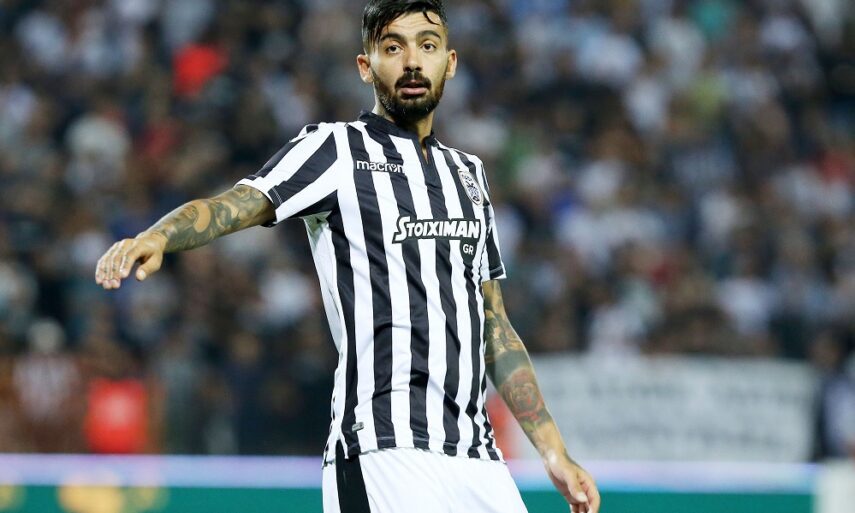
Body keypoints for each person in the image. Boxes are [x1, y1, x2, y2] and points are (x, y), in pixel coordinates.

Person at [95, 1, 600, 511]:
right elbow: (238, 203)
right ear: (365, 66)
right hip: (383, 448)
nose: (411, 62)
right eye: (392, 48)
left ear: (449, 63)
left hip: (479, 460)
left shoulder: (468, 174)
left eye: (426, 46)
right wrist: (160, 235)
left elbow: (494, 326)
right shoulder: (335, 150)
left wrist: (552, 450)